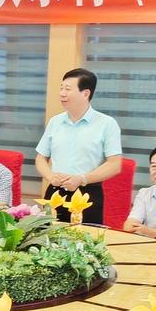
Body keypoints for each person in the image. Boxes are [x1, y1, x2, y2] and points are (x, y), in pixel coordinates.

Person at [35, 68, 122, 225]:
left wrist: (82, 179)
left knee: (85, 238)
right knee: (48, 237)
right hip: (55, 192)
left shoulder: (106, 124)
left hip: (87, 194)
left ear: (86, 93)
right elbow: (41, 158)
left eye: (68, 89)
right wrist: (50, 176)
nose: (62, 93)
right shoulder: (55, 122)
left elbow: (114, 165)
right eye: (61, 88)